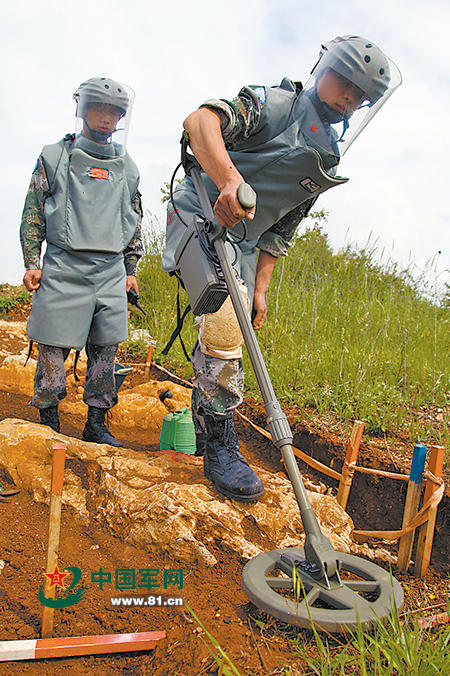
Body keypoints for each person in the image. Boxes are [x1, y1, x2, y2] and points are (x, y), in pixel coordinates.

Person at [162, 35, 401, 503]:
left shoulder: (328, 153)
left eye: (360, 95)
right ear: (323, 70)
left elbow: (283, 226)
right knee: (225, 321)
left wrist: (263, 288)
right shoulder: (276, 106)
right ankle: (220, 444)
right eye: (345, 83)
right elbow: (200, 121)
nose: (349, 98)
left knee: (231, 324)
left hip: (247, 240)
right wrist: (229, 178)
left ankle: (206, 419)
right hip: (200, 210)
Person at [20, 77, 143, 447]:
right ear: (83, 109)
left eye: (114, 112)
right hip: (62, 267)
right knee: (52, 352)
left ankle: (96, 424)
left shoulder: (127, 166)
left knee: (106, 350)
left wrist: (131, 269)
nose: (106, 118)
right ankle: (48, 421)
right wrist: (31, 261)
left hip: (109, 272)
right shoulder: (55, 156)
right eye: (99, 108)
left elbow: (133, 218)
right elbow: (33, 211)